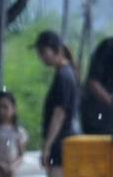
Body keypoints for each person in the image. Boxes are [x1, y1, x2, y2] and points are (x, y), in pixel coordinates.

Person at [31, 31, 83, 166]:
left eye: (43, 52)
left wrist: (47, 145)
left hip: (61, 140)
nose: (41, 57)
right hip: (65, 139)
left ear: (56, 50)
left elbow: (59, 113)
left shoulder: (63, 76)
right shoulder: (68, 72)